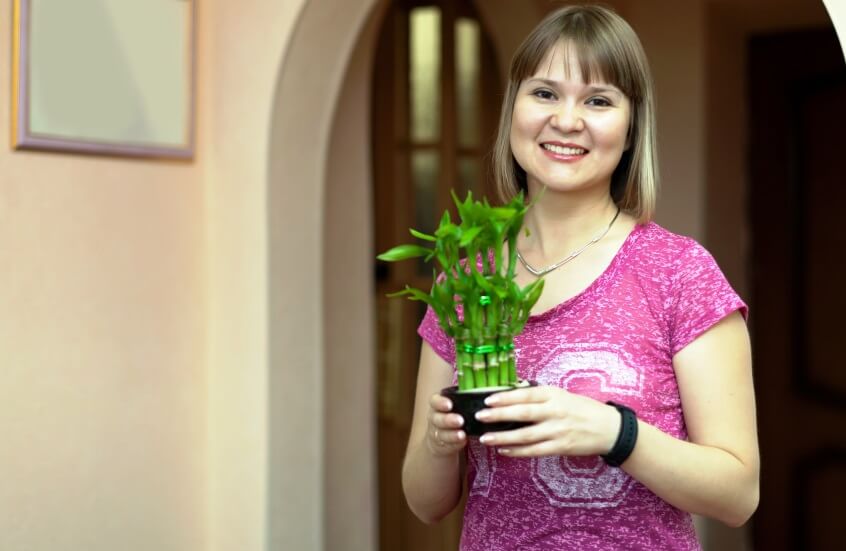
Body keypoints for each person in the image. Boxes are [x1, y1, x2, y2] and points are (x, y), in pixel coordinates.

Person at [401, 4, 759, 550]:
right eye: (544, 93)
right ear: (513, 106)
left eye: (598, 100)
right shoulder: (468, 280)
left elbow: (738, 494)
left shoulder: (679, 272)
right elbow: (426, 504)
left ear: (632, 124)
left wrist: (614, 432)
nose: (567, 121)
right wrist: (437, 441)